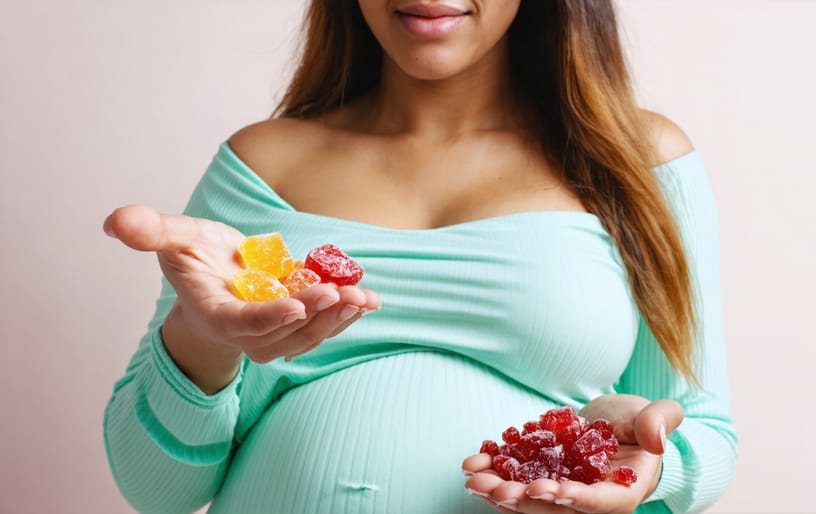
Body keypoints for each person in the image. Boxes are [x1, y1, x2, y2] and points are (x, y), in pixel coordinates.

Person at [102, 1, 737, 513]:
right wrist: (199, 340)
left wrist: (642, 460)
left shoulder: (636, 160)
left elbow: (704, 431)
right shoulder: (262, 166)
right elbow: (156, 490)